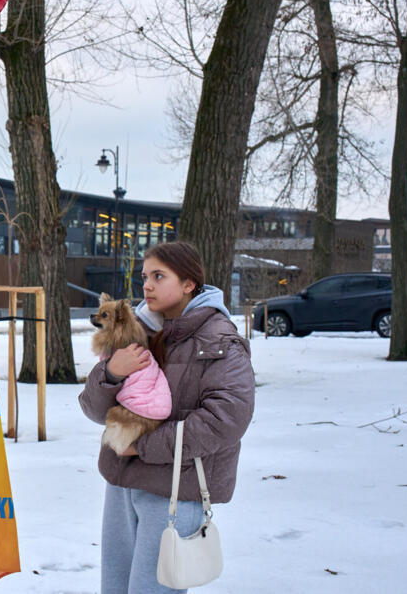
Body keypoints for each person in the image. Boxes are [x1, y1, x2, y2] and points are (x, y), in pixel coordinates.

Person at [78, 241, 255, 594]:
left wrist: (142, 446)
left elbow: (226, 420)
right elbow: (93, 409)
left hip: (175, 488)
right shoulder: (135, 332)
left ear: (189, 283)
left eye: (159, 276)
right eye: (145, 277)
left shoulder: (219, 340)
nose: (147, 285)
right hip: (122, 485)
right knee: (115, 587)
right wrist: (111, 372)